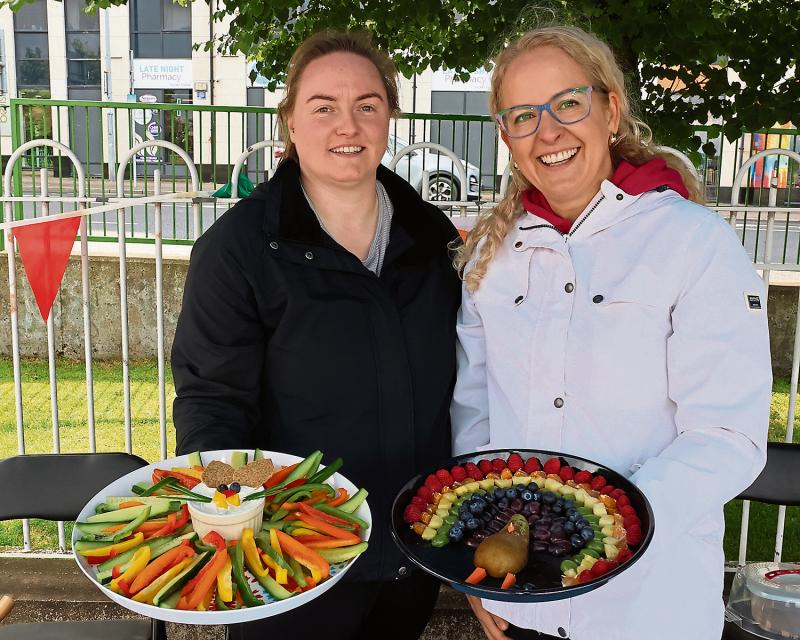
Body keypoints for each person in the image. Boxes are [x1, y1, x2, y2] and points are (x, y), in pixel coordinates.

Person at [451, 25, 771, 640]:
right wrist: (480, 572)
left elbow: (727, 435)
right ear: (506, 137)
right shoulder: (491, 258)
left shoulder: (693, 242)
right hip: (521, 604)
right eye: (522, 116)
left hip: (650, 609)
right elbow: (476, 418)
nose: (548, 132)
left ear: (611, 109)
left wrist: (605, 523)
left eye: (568, 104)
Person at [171, 30, 461, 639]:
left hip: (412, 553)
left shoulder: (433, 243)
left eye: (367, 106)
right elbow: (213, 404)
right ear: (290, 125)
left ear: (389, 120)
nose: (346, 126)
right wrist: (231, 521)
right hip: (287, 563)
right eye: (323, 107)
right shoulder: (239, 250)